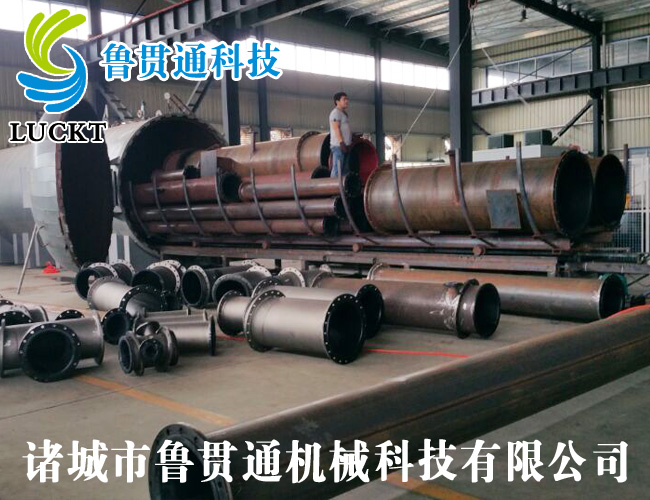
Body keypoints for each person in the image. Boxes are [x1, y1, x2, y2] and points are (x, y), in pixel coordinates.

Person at [329, 92, 352, 178]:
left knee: (345, 171)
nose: (346, 101)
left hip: (345, 146)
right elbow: (336, 128)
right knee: (337, 170)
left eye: (347, 99)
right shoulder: (336, 113)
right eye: (344, 99)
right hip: (339, 146)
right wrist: (341, 142)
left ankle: (343, 186)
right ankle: (333, 186)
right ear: (337, 101)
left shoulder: (343, 113)